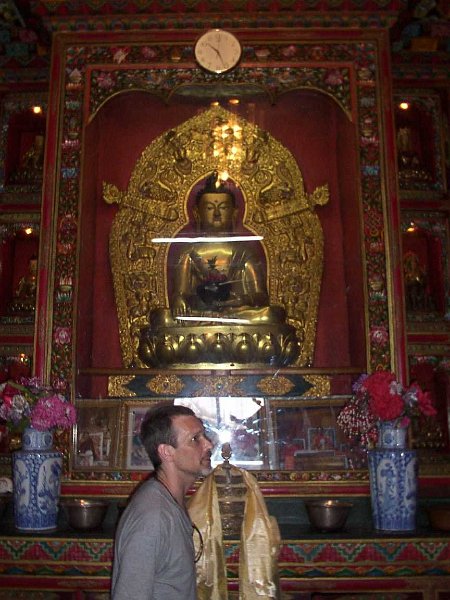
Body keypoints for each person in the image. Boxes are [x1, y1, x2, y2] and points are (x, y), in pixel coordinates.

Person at [152, 171, 285, 324]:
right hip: (199, 315)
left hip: (236, 314)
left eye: (223, 208)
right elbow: (180, 293)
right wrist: (179, 301)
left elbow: (260, 296)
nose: (216, 214)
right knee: (162, 318)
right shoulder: (189, 253)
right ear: (197, 213)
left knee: (272, 315)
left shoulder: (244, 252)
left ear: (234, 213)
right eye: (209, 208)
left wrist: (241, 300)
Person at [111, 404, 213, 600]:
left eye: (204, 436)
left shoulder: (169, 501)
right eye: (195, 439)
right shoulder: (152, 518)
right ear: (167, 452)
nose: (208, 444)